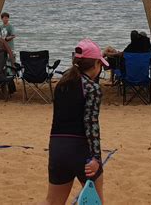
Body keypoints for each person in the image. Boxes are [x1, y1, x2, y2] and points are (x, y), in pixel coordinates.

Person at [40, 39, 108, 205]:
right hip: (80, 150)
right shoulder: (92, 88)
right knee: (96, 201)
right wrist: (96, 158)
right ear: (97, 64)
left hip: (57, 148)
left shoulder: (62, 84)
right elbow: (91, 124)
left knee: (52, 201)